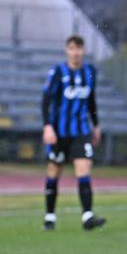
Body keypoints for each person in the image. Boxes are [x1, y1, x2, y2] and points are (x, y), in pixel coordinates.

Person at [41, 35, 106, 231]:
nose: (75, 52)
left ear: (83, 51)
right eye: (72, 48)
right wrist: (47, 126)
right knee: (54, 172)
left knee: (84, 168)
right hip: (59, 132)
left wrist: (96, 125)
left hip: (81, 131)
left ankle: (87, 217)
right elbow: (46, 101)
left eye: (78, 48)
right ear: (67, 50)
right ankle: (50, 216)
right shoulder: (57, 72)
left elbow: (91, 101)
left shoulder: (90, 72)